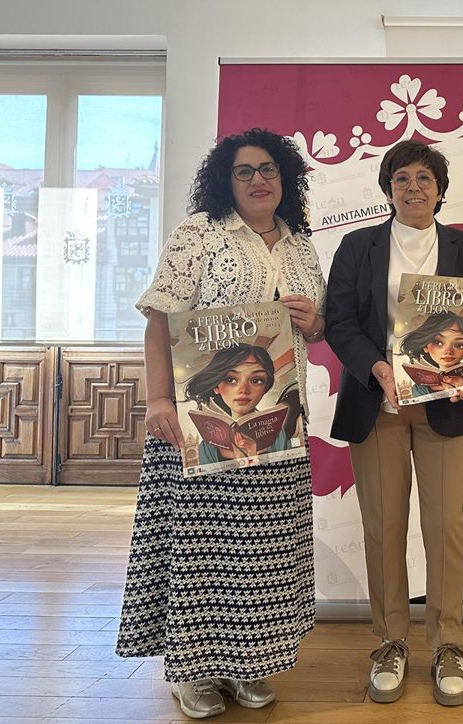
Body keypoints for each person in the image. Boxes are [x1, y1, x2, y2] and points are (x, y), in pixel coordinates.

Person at [115, 128, 326, 720]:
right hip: (199, 422)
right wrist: (159, 399)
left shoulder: (301, 245)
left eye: (269, 169)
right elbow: (159, 321)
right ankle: (192, 671)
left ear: (286, 177)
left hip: (277, 426)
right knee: (201, 551)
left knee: (262, 552)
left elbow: (317, 331)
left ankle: (248, 663)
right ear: (225, 181)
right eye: (244, 171)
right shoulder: (198, 235)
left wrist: (313, 319)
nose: (258, 180)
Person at [325, 139, 463, 707]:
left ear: (440, 190)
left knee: (446, 526)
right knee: (384, 526)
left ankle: (448, 644)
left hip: (445, 404)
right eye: (402, 178)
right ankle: (391, 641)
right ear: (388, 189)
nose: (413, 187)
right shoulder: (358, 246)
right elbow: (339, 322)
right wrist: (376, 367)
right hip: (377, 403)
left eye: (424, 178)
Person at [184, 344, 290, 464]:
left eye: (256, 380)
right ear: (216, 387)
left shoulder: (276, 435)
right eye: (231, 379)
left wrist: (253, 459)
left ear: (265, 387)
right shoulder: (208, 446)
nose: (243, 389)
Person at [398, 311, 463, 398]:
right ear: (425, 347)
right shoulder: (419, 389)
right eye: (438, 342)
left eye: (459, 345)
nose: (448, 351)